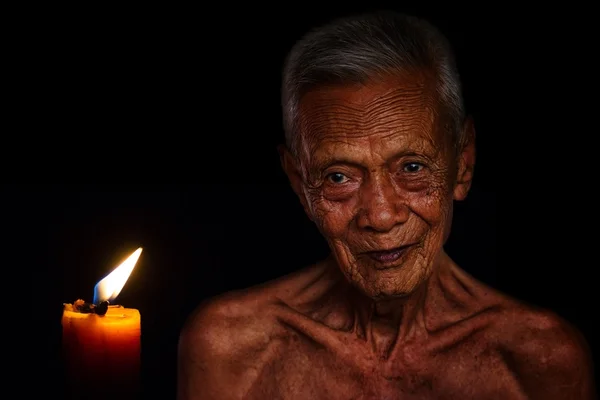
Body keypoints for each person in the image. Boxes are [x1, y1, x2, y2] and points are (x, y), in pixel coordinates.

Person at [177, 11, 596, 399]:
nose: (379, 216)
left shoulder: (538, 362)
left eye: (411, 167)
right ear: (299, 183)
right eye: (339, 176)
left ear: (462, 165)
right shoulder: (233, 349)